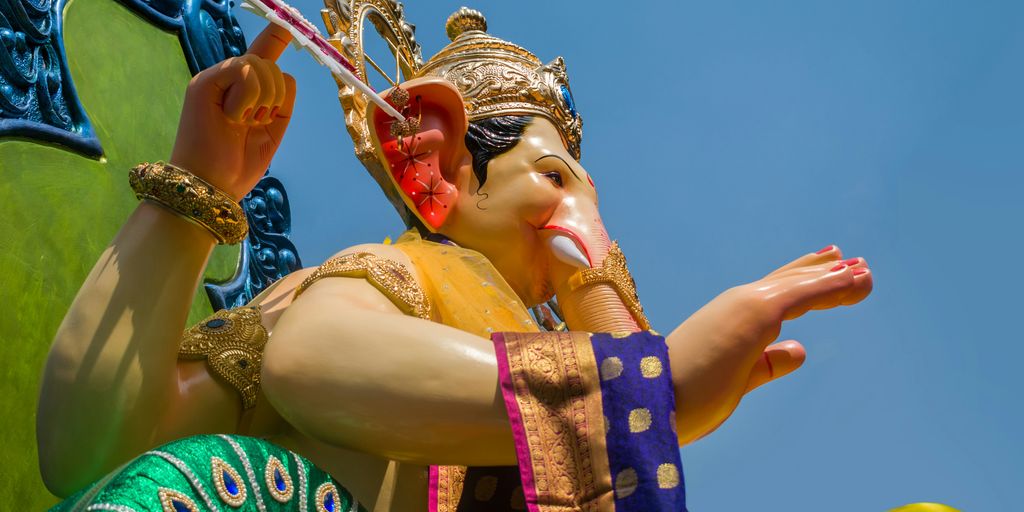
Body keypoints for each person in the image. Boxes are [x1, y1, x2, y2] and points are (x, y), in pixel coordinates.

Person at [37, 8, 872, 512]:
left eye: (583, 193)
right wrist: (195, 192)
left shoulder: (524, 332)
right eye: (553, 178)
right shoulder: (396, 274)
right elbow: (99, 448)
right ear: (440, 164)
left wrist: (631, 349)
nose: (582, 220)